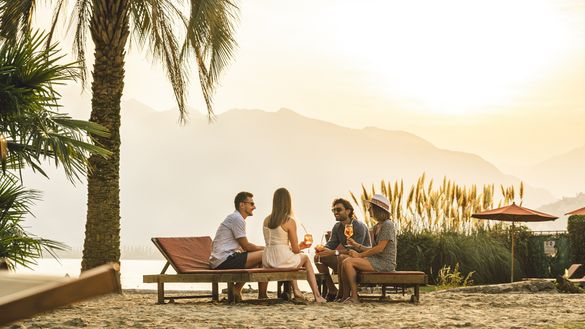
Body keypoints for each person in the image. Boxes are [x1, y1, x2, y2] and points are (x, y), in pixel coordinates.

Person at [262, 188, 326, 303]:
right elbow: (296, 250)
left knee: (291, 257)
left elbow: (277, 244)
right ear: (288, 202)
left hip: (267, 259)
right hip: (281, 260)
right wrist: (302, 247)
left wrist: (297, 247)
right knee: (305, 258)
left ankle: (296, 290)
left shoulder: (266, 220)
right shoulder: (289, 220)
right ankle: (317, 295)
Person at [209, 191, 268, 301]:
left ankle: (237, 289)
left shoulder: (235, 218)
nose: (254, 207)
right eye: (251, 204)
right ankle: (262, 295)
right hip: (224, 260)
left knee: (258, 260)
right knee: (265, 254)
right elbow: (247, 246)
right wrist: (266, 248)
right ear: (242, 204)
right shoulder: (237, 218)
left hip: (223, 259)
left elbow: (242, 246)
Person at [340, 194, 397, 303]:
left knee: (348, 262)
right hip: (376, 260)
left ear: (377, 209)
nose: (368, 210)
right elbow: (373, 249)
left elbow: (380, 249)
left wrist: (359, 255)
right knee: (343, 259)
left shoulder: (388, 225)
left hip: (385, 263)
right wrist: (356, 245)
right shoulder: (377, 226)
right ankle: (345, 295)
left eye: (370, 208)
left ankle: (355, 297)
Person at [314, 198, 371, 301]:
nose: (335, 212)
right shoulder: (337, 227)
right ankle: (332, 289)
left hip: (362, 260)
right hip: (345, 258)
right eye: (333, 210)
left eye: (338, 209)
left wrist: (334, 252)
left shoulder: (358, 226)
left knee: (341, 257)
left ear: (348, 211)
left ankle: (342, 294)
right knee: (318, 257)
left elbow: (356, 250)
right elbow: (331, 244)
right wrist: (322, 249)